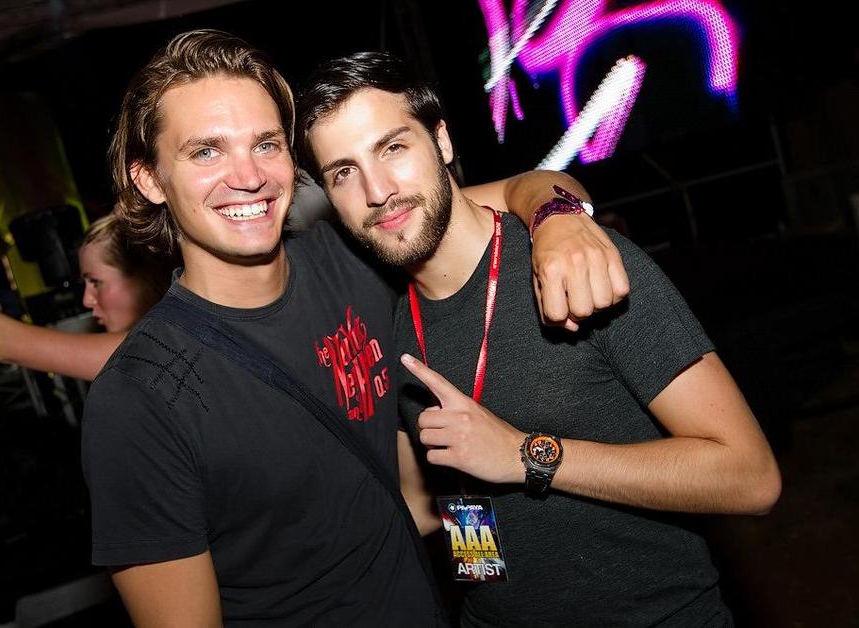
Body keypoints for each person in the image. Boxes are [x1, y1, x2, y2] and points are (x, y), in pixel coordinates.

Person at [81, 30, 629, 627]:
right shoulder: (139, 400)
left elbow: (523, 190)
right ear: (150, 179)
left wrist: (558, 221)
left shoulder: (353, 258)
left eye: (265, 144)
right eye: (206, 152)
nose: (249, 176)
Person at [296, 52, 782, 627]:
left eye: (393, 147)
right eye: (344, 172)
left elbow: (750, 477)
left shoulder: (573, 264)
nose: (377, 191)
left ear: (441, 142)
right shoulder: (394, 319)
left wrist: (527, 456)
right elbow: (423, 503)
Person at [0, 213, 175, 381]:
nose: (86, 300)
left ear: (144, 278)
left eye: (96, 282)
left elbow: (1, 342)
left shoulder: (155, 349)